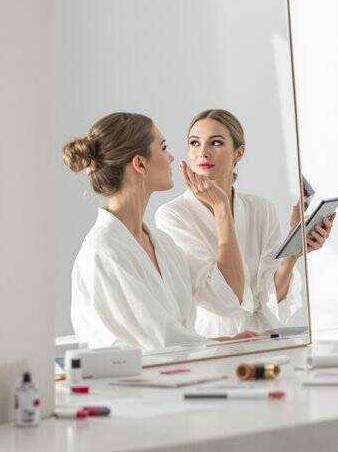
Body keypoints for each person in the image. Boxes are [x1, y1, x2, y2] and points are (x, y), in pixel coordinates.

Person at [64, 112, 257, 350]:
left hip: (176, 369)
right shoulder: (104, 252)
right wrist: (224, 344)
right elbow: (158, 342)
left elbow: (227, 299)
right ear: (140, 164)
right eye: (163, 148)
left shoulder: (162, 243)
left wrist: (221, 207)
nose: (172, 157)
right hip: (136, 374)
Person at [156, 109, 335, 338]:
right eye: (194, 143)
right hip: (212, 339)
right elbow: (223, 300)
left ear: (238, 152)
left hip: (260, 335)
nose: (203, 152)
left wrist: (292, 253)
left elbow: (271, 296)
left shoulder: (260, 209)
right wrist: (221, 207)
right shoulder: (173, 215)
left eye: (216, 143)